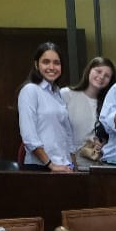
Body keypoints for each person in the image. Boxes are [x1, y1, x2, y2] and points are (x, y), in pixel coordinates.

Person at [17, 42, 75, 172]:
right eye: (46, 62)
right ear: (36, 64)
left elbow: (66, 133)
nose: (51, 67)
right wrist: (50, 164)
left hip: (63, 165)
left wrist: (72, 163)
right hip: (42, 167)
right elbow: (29, 136)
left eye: (56, 63)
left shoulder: (57, 93)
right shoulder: (30, 90)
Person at [64, 56, 116, 167]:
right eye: (98, 71)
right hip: (69, 162)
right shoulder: (67, 94)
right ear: (89, 70)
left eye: (107, 76)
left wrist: (103, 143)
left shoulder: (109, 103)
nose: (101, 77)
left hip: (97, 162)